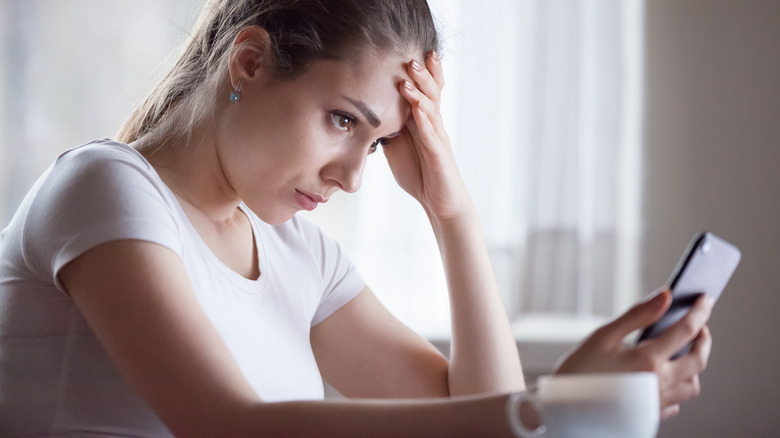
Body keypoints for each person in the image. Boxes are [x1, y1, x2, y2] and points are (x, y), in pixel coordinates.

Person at [0, 0, 712, 436]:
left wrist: (449, 209)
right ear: (248, 62)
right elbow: (224, 427)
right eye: (342, 119)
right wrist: (551, 413)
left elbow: (474, 410)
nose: (352, 176)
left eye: (375, 141)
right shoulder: (107, 186)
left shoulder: (295, 252)